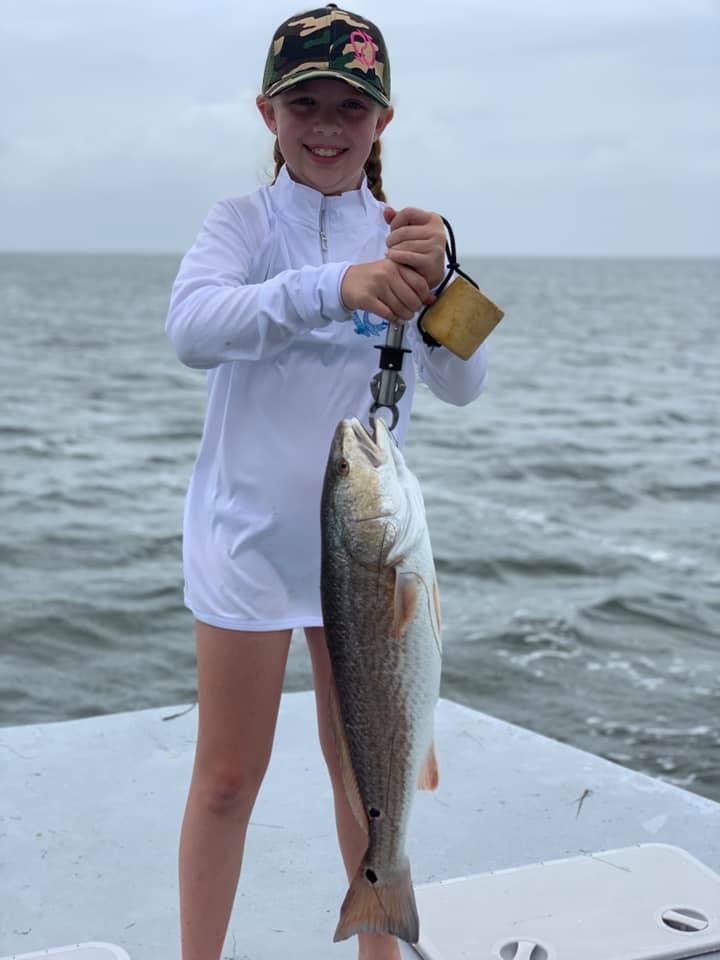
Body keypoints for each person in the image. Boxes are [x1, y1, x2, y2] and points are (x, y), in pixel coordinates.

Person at [165, 5, 489, 959]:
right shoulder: (240, 225)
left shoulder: (408, 237)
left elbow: (467, 384)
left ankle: (381, 943)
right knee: (227, 779)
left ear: (382, 120)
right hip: (249, 545)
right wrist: (332, 287)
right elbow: (193, 329)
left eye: (351, 106)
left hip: (365, 547)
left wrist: (445, 283)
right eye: (304, 101)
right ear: (267, 113)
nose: (327, 123)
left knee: (364, 773)